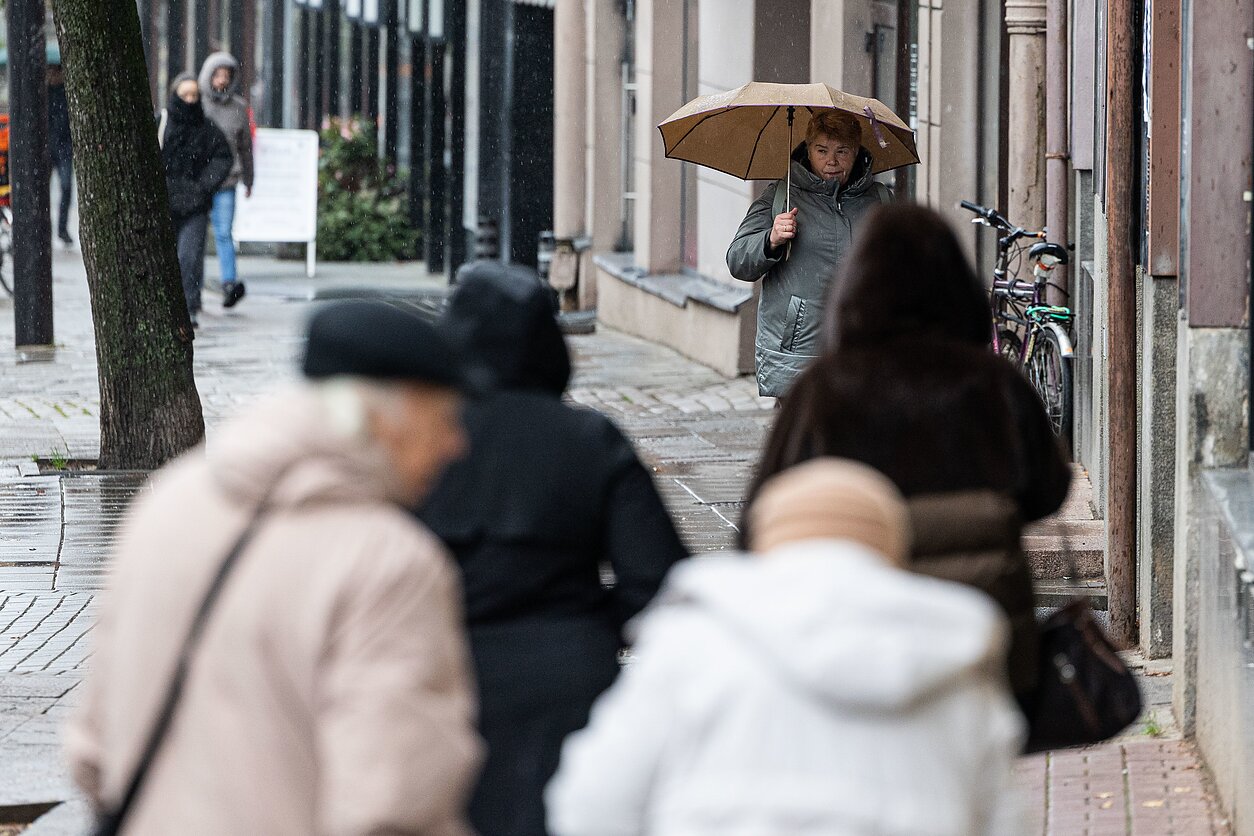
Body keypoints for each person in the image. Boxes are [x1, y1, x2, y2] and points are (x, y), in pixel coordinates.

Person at [66, 301, 484, 835]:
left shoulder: (167, 503)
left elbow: (93, 749)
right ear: (385, 419)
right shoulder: (388, 563)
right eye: (443, 418)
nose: (455, 444)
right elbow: (391, 805)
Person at [546, 458, 1026, 836]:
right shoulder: (951, 663)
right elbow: (1002, 820)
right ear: (890, 548)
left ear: (766, 539)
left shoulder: (693, 643)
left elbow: (593, 803)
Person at [745, 204, 1072, 706]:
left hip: (857, 640)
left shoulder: (823, 392)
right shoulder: (994, 386)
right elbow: (1049, 490)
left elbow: (763, 518)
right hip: (983, 641)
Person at [416, 261, 689, 836]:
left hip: (440, 674)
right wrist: (586, 624)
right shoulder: (590, 439)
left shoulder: (425, 445)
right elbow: (661, 582)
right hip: (570, 678)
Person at [726, 110, 892, 398]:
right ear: (809, 149)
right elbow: (738, 260)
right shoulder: (782, 196)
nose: (832, 161)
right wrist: (770, 239)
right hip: (799, 351)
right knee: (807, 425)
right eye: (822, 150)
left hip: (863, 346)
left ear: (856, 152)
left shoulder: (880, 200)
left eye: (842, 151)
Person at [158, 73, 233, 328]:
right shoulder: (162, 122)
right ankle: (168, 306)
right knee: (165, 259)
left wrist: (203, 186)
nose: (190, 100)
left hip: (195, 205)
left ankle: (188, 307)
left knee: (189, 257)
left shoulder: (206, 128)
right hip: (164, 203)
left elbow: (223, 156)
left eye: (194, 95)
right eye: (185, 95)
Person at [199, 52, 255, 309]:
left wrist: (249, 178)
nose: (222, 80)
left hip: (228, 180)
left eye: (226, 76)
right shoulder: (198, 104)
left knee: (224, 233)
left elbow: (245, 147)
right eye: (218, 75)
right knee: (196, 234)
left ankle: (229, 283)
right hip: (199, 180)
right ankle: (192, 284)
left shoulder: (239, 108)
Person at [47, 60, 74, 245]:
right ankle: (47, 227)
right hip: (48, 147)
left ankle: (61, 228)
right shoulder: (44, 93)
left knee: (66, 186)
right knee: (42, 189)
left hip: (64, 146)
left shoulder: (66, 93)